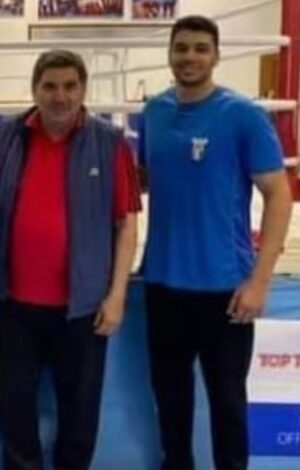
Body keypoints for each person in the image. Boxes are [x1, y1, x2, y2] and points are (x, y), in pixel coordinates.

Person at [139, 15, 292, 470]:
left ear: (216, 56)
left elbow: (279, 195)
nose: (190, 57)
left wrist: (260, 280)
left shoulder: (243, 115)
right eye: (181, 47)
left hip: (226, 289)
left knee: (227, 404)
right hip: (163, 284)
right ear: (170, 53)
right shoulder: (153, 113)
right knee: (170, 402)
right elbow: (144, 183)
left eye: (200, 48)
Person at [0, 50, 141, 470]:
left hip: (83, 308)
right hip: (16, 303)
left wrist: (117, 295)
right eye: (50, 86)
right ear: (34, 89)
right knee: (13, 410)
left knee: (80, 415)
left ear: (83, 90)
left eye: (70, 86)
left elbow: (126, 223)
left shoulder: (110, 143)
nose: (60, 96)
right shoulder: (9, 134)